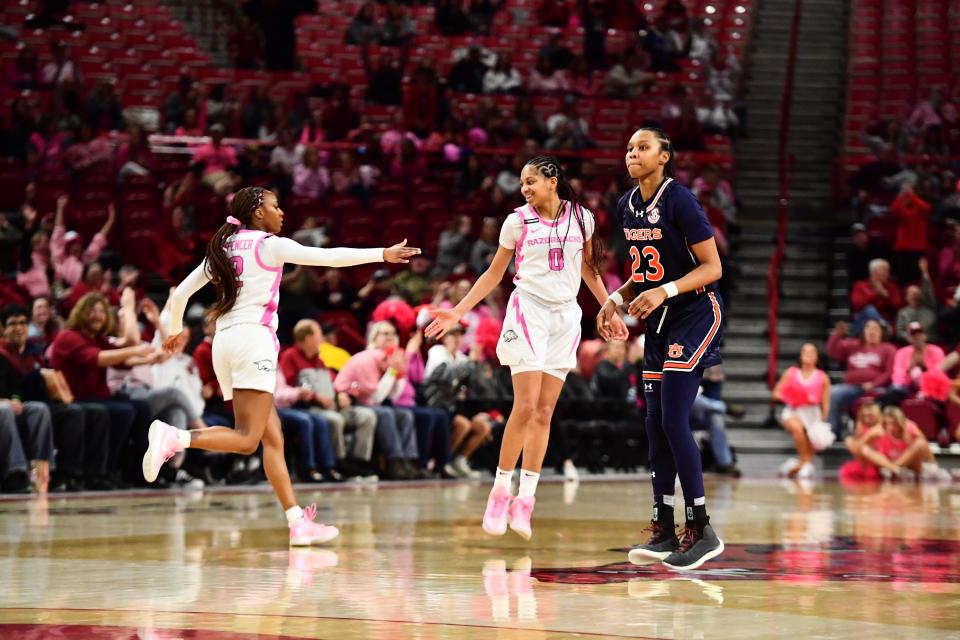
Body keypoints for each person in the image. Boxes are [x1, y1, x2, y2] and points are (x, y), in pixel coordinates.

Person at [143, 186, 419, 545]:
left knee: (273, 437)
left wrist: (175, 331)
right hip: (253, 341)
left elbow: (178, 294)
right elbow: (329, 257)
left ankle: (296, 521)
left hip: (224, 343)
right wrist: (382, 253)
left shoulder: (222, 248)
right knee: (246, 440)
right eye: (276, 206)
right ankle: (175, 438)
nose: (282, 212)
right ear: (258, 212)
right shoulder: (268, 245)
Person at [426, 155, 620, 541]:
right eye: (522, 183)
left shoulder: (582, 218)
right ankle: (500, 492)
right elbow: (494, 273)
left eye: (531, 181)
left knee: (546, 411)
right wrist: (458, 311)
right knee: (526, 405)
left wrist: (608, 306)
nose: (525, 188)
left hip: (565, 317)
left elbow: (588, 269)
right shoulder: (517, 221)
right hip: (528, 310)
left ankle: (525, 500)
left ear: (552, 181)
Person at [596, 128, 725, 571]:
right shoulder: (625, 205)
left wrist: (666, 292)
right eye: (629, 147)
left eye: (643, 147)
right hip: (658, 317)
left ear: (664, 156)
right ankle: (664, 526)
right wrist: (613, 300)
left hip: (695, 312)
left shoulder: (680, 200)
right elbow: (641, 275)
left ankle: (701, 527)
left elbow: (713, 268)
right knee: (653, 423)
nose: (633, 153)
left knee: (672, 416)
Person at [771, 343, 831, 480]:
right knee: (797, 428)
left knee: (810, 443)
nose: (808, 354)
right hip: (793, 410)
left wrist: (822, 423)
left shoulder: (823, 377)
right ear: (800, 355)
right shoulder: (791, 372)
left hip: (812, 413)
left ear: (817, 357)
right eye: (805, 351)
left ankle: (798, 465)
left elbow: (825, 403)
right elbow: (776, 393)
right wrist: (791, 398)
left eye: (812, 351)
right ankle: (805, 464)